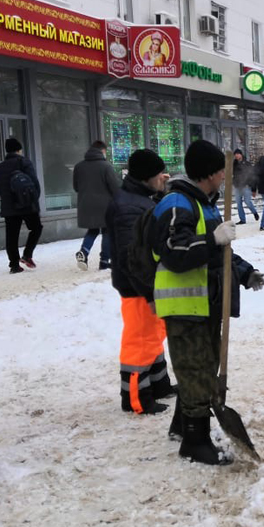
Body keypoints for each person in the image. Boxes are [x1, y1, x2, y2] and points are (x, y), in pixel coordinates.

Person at [150, 140, 264, 465]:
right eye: (222, 172)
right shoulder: (177, 204)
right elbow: (175, 251)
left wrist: (244, 273)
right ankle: (195, 441)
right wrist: (212, 238)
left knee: (200, 367)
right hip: (185, 305)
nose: (225, 178)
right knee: (197, 369)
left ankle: (180, 426)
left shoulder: (205, 204)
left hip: (204, 302)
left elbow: (220, 253)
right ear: (212, 173)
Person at [106, 149, 174, 415]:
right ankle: (136, 398)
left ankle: (159, 386)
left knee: (154, 336)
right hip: (137, 287)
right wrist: (149, 293)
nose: (164, 177)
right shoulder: (127, 207)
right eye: (160, 173)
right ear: (148, 176)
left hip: (146, 284)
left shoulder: (139, 199)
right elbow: (129, 256)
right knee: (140, 340)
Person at [0, 138, 43, 274]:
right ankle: (27, 255)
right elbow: (34, 183)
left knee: (11, 236)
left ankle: (14, 265)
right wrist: (34, 200)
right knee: (36, 228)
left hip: (9, 207)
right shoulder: (24, 162)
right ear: (19, 149)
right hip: (27, 204)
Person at [73, 140, 120, 270]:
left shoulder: (79, 166)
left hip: (85, 205)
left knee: (92, 230)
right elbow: (114, 187)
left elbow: (76, 187)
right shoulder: (106, 166)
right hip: (105, 205)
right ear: (103, 151)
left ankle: (84, 251)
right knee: (107, 231)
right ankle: (104, 261)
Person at [232, 149, 259, 225]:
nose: (236, 156)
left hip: (246, 186)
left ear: (241, 154)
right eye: (235, 154)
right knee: (238, 203)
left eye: (237, 154)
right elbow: (232, 173)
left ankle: (254, 212)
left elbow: (252, 175)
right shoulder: (234, 164)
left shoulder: (247, 164)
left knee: (247, 201)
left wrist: (253, 189)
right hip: (237, 186)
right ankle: (242, 219)